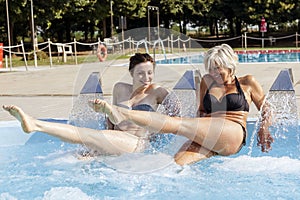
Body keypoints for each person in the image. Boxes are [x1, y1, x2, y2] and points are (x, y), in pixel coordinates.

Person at [87, 44, 274, 165]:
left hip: (232, 132)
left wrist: (263, 129)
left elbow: (266, 108)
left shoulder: (247, 82)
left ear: (230, 65)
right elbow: (201, 112)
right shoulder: (207, 81)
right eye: (210, 68)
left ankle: (121, 113)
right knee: (176, 164)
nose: (214, 73)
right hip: (208, 133)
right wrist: (196, 136)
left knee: (178, 123)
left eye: (218, 68)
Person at [3, 53, 174, 155]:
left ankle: (36, 125)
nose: (146, 78)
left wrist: (156, 135)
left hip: (137, 143)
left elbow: (177, 115)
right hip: (113, 139)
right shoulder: (120, 88)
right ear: (131, 73)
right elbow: (112, 123)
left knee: (85, 135)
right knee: (73, 157)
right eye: (141, 73)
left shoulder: (157, 91)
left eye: (150, 73)